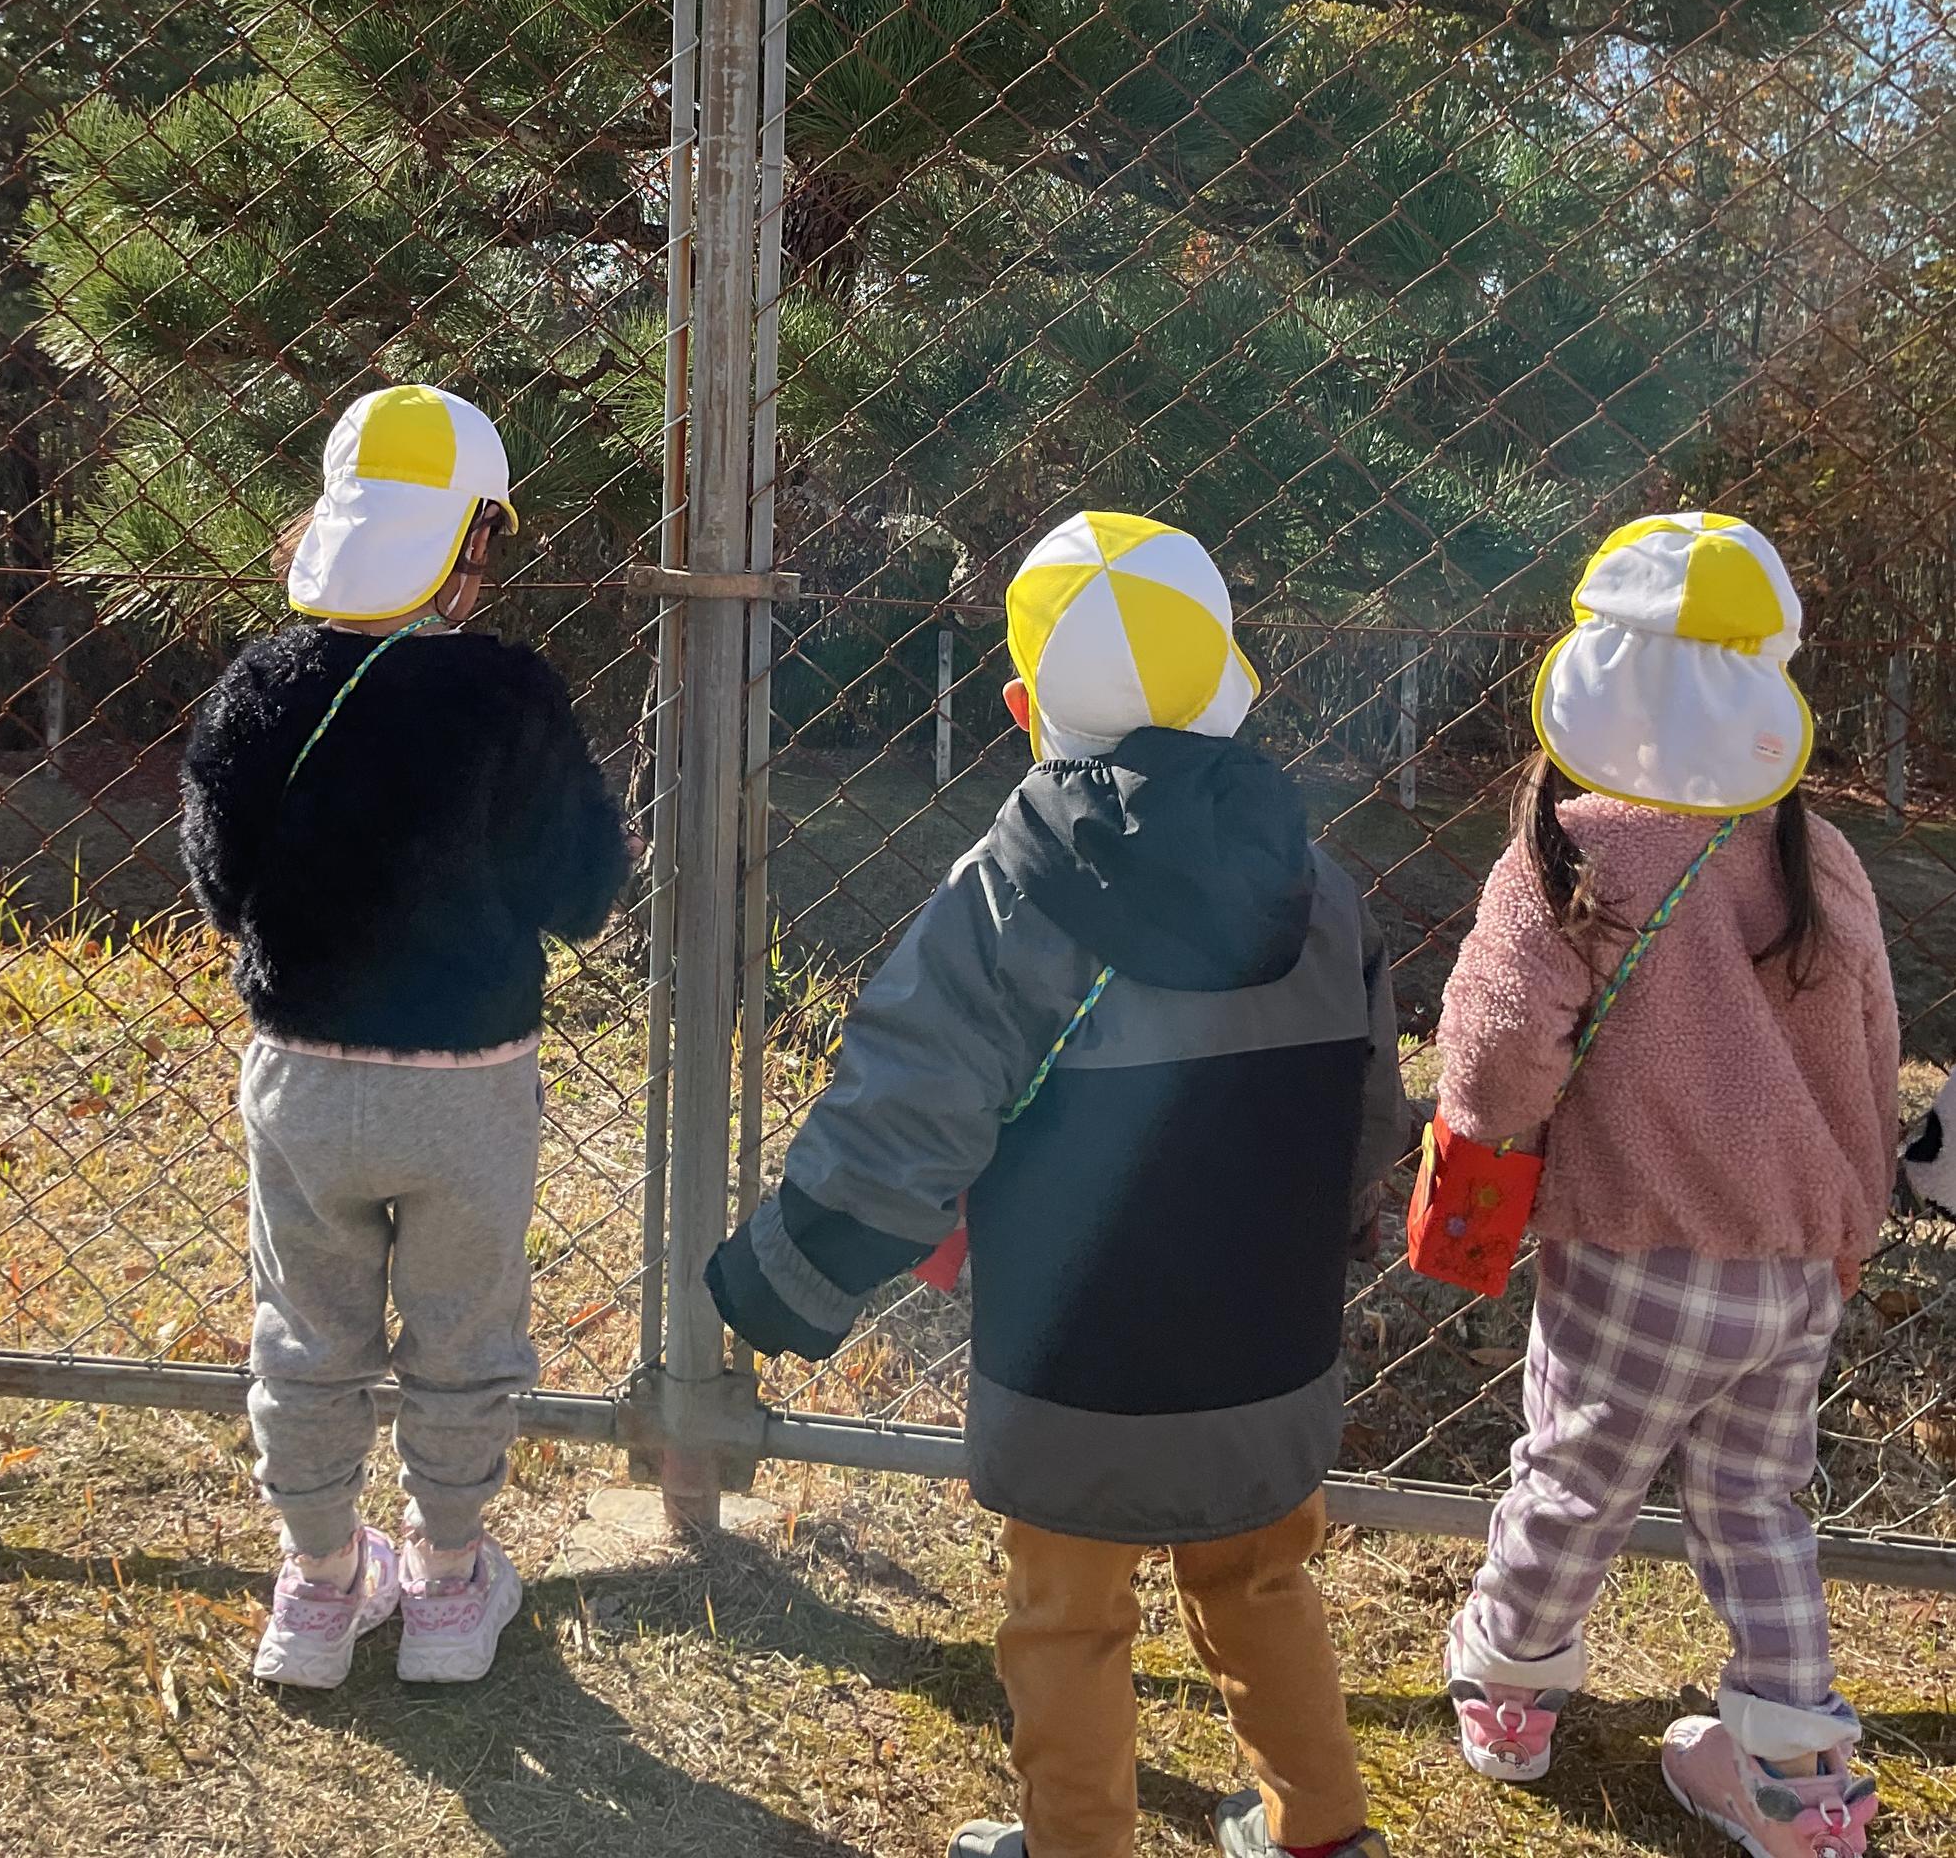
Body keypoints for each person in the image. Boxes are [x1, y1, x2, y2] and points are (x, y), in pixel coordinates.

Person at [709, 511, 1407, 1858]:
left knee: (1067, 1620)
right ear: (1230, 689)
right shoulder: (1317, 888)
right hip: (1266, 1345)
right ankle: (1319, 1831)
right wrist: (1339, 1230)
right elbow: (1364, 1105)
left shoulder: (1003, 892)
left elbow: (906, 1106)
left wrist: (790, 1269)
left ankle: (1080, 1842)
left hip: (1074, 1361)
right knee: (1264, 1581)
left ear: (1026, 707)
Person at [1434, 512, 1899, 1855]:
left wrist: (1485, 1135)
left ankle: (1511, 1691)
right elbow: (1872, 1055)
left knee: (1574, 1473)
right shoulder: (1817, 854)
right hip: (1791, 1268)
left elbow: (1496, 1049)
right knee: (1758, 1507)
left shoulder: (1571, 850)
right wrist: (1849, 1219)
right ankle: (1800, 1776)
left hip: (1634, 1250)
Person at [181, 384, 629, 1689]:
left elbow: (221, 885)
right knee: (463, 1335)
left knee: (305, 1332)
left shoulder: (260, 686)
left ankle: (320, 1586)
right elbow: (582, 891)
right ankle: (446, 1583)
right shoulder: (510, 694)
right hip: (469, 1084)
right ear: (467, 541)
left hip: (306, 1079)